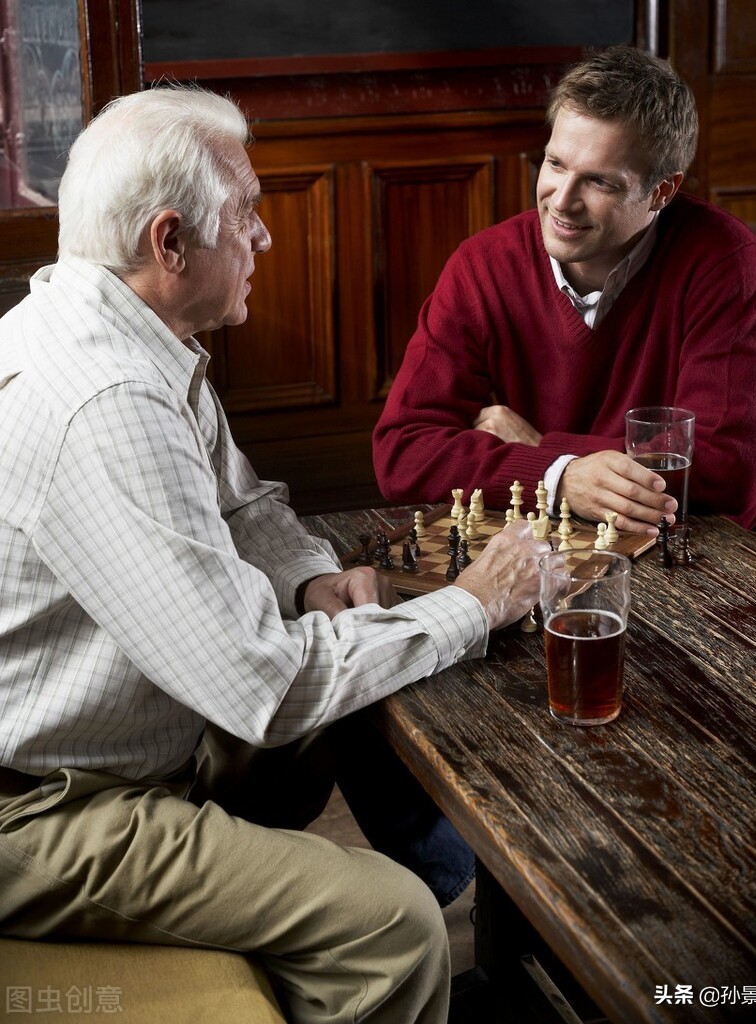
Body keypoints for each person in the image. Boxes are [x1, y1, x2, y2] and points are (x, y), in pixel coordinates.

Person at [0, 87, 550, 1024]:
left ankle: (463, 900)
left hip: (129, 741)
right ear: (170, 243)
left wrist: (310, 579)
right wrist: (475, 603)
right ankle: (413, 926)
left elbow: (246, 503)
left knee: (354, 677)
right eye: (248, 211)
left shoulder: (122, 327)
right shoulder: (107, 402)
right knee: (394, 925)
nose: (263, 236)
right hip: (43, 809)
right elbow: (263, 687)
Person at [373, 45, 756, 534]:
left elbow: (727, 472)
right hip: (545, 543)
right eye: (556, 164)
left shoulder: (723, 260)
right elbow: (401, 453)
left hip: (697, 548)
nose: (561, 202)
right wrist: (563, 478)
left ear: (662, 192)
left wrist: (543, 450)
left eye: (599, 183)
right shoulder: (482, 264)